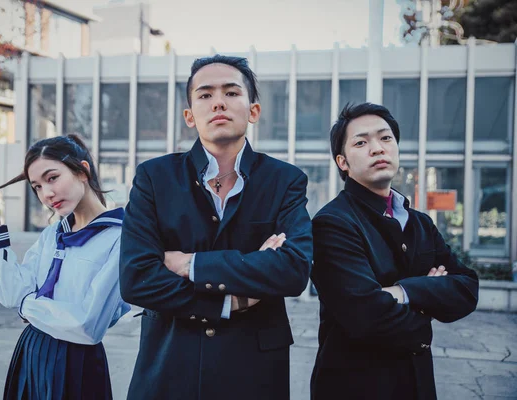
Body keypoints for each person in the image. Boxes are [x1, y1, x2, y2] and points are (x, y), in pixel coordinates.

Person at [119, 54, 313, 400]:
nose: (219, 102)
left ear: (253, 110)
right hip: (170, 363)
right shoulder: (154, 178)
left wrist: (188, 264)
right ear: (190, 116)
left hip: (254, 372)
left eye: (231, 93)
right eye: (205, 95)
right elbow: (137, 278)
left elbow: (293, 271)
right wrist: (230, 301)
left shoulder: (285, 181)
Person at [310, 103, 479, 400]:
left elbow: (467, 289)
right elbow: (364, 317)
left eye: (385, 138)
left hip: (417, 384)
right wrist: (430, 298)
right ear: (343, 162)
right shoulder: (332, 223)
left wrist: (400, 293)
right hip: (355, 386)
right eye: (361, 142)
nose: (377, 148)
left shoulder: (420, 223)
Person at [0, 134, 130, 400]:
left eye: (52, 178)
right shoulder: (54, 233)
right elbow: (12, 293)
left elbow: (88, 325)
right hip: (31, 350)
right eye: (36, 186)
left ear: (82, 171)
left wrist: (28, 306)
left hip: (77, 362)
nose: (46, 194)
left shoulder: (120, 237)